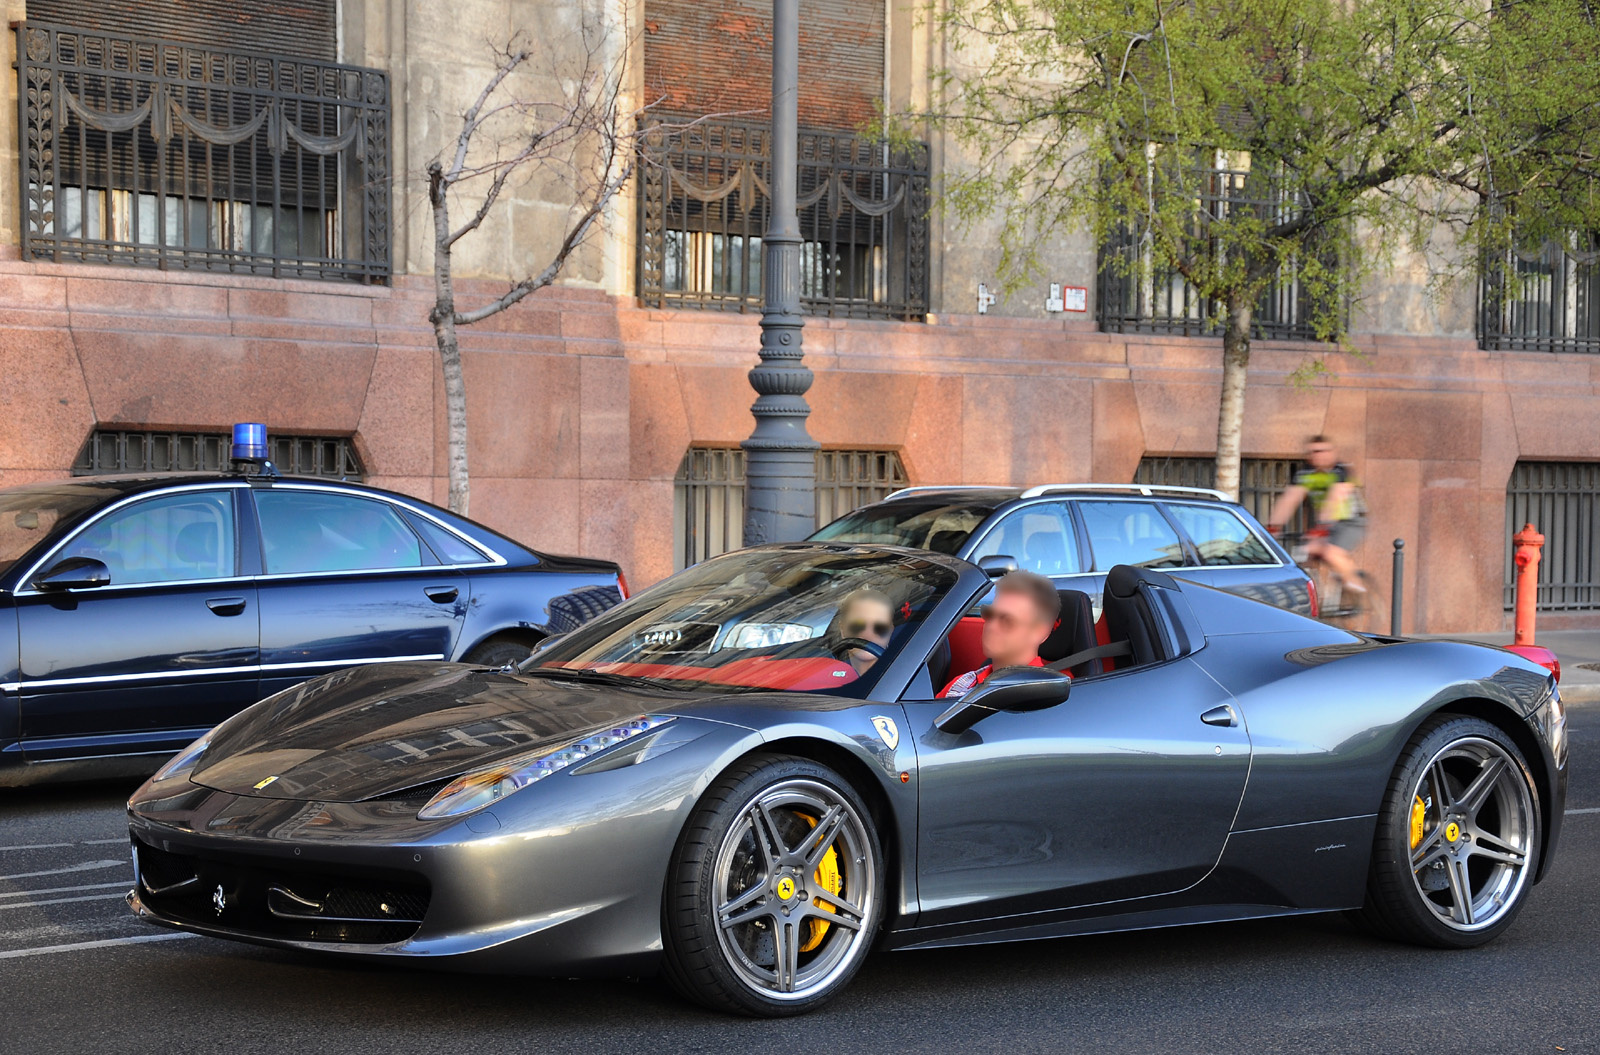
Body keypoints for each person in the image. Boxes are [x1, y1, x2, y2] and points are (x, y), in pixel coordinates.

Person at [1269, 434, 1368, 603]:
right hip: (1327, 523)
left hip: (1351, 521)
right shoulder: (1305, 474)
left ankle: (1358, 588)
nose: (1318, 455)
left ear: (1332, 452)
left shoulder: (1340, 470)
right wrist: (1272, 528)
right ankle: (1319, 596)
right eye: (1314, 452)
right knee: (1305, 553)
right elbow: (1289, 500)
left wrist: (1321, 527)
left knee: (1331, 553)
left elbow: (1336, 497)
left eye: (1323, 451)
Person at [938, 570, 1061, 698]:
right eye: (988, 614)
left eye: (1007, 620)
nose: (991, 626)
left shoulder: (1048, 693)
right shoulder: (961, 683)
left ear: (1039, 632)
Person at [832, 588, 897, 677]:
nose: (868, 634)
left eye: (879, 627)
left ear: (890, 631)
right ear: (842, 629)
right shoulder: (826, 669)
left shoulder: (907, 673)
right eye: (858, 625)